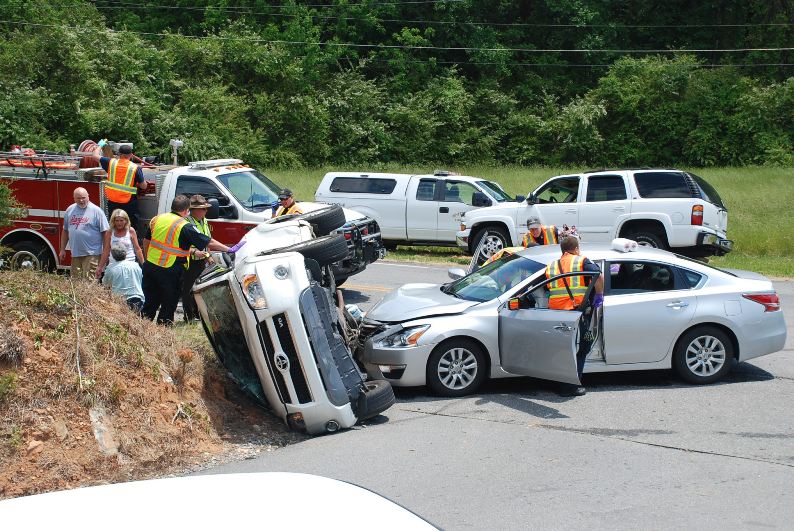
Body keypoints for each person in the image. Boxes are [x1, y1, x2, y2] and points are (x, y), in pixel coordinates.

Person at [545, 236, 604, 397]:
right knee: (583, 346)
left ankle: (559, 381)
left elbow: (546, 288)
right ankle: (570, 385)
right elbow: (598, 276)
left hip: (554, 315)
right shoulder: (581, 261)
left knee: (562, 350)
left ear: (562, 250)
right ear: (576, 248)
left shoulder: (551, 266)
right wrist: (599, 295)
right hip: (574, 313)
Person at [141, 195, 211, 325]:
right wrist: (230, 249)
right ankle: (163, 335)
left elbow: (146, 241)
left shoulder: (157, 219)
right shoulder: (184, 225)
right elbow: (208, 242)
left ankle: (140, 333)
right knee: (168, 305)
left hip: (150, 267)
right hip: (170, 270)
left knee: (150, 303)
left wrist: (147, 259)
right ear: (186, 210)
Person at [180, 195, 231, 322]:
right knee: (187, 289)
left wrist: (208, 256)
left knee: (200, 288)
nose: (206, 211)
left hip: (201, 261)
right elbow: (179, 246)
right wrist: (194, 252)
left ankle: (199, 315)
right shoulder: (186, 223)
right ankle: (189, 317)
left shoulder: (204, 220)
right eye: (204, 209)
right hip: (189, 261)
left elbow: (207, 240)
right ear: (195, 210)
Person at [59, 187, 109, 279]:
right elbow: (65, 230)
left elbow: (106, 233)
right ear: (74, 198)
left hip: (92, 254)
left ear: (88, 196)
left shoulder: (97, 211)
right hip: (75, 254)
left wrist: (105, 252)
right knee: (76, 284)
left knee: (89, 284)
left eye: (83, 197)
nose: (81, 200)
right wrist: (62, 249)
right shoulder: (70, 210)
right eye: (78, 198)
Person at [99, 144, 147, 230]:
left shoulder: (111, 162)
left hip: (112, 201)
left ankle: (114, 241)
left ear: (119, 154)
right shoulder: (135, 167)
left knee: (114, 224)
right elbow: (143, 186)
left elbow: (94, 155)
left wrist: (101, 143)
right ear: (131, 155)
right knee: (130, 226)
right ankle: (130, 242)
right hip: (128, 202)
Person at [95, 209, 144, 279]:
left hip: (129, 263)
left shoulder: (131, 231)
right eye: (117, 221)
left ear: (126, 221)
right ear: (113, 221)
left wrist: (143, 264)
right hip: (114, 264)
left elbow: (137, 249)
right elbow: (106, 250)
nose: (119, 223)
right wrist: (100, 267)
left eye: (121, 220)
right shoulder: (110, 232)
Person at [102, 244, 145, 313]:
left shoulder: (110, 268)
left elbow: (105, 284)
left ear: (112, 255)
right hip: (138, 299)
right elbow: (141, 279)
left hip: (120, 301)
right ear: (126, 254)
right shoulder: (135, 265)